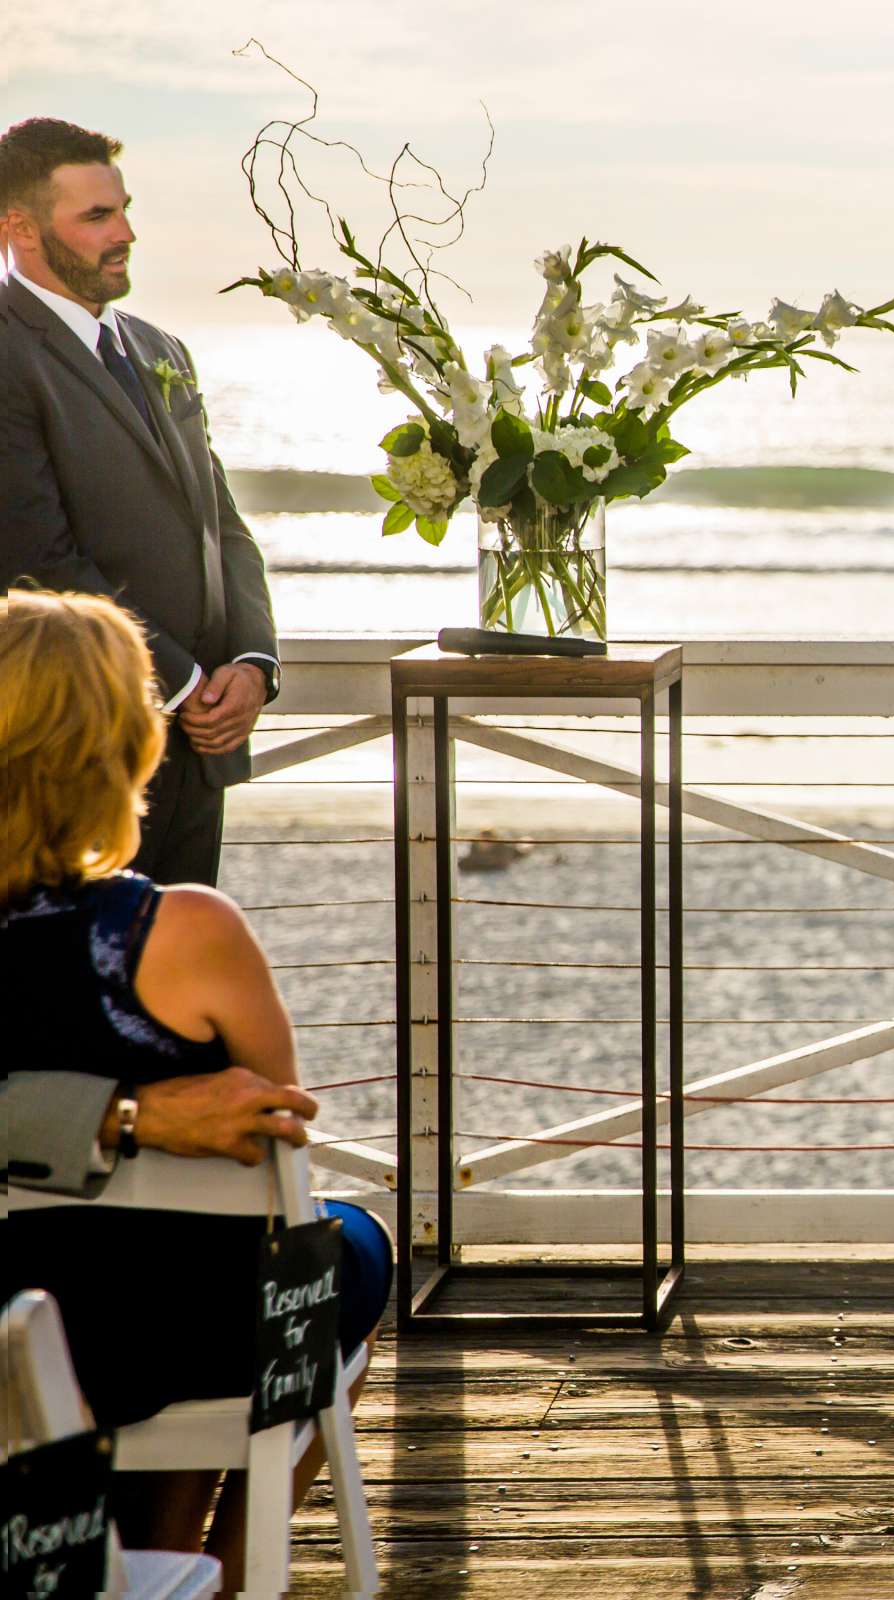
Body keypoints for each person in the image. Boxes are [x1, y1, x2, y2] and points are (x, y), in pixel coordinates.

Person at [0, 590, 390, 1589]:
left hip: (16, 1336)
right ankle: (227, 1564)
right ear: (127, 742)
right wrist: (136, 1118)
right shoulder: (190, 932)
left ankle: (167, 1560)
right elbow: (277, 1149)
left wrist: (106, 1122)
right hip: (169, 1333)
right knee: (348, 1246)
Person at [0, 117, 280, 888]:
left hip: (203, 745)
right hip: (79, 744)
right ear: (17, 228)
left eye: (123, 209)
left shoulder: (160, 349)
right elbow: (37, 562)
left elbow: (220, 525)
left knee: (177, 990)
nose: (124, 233)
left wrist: (252, 667)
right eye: (96, 217)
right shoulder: (6, 352)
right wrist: (184, 681)